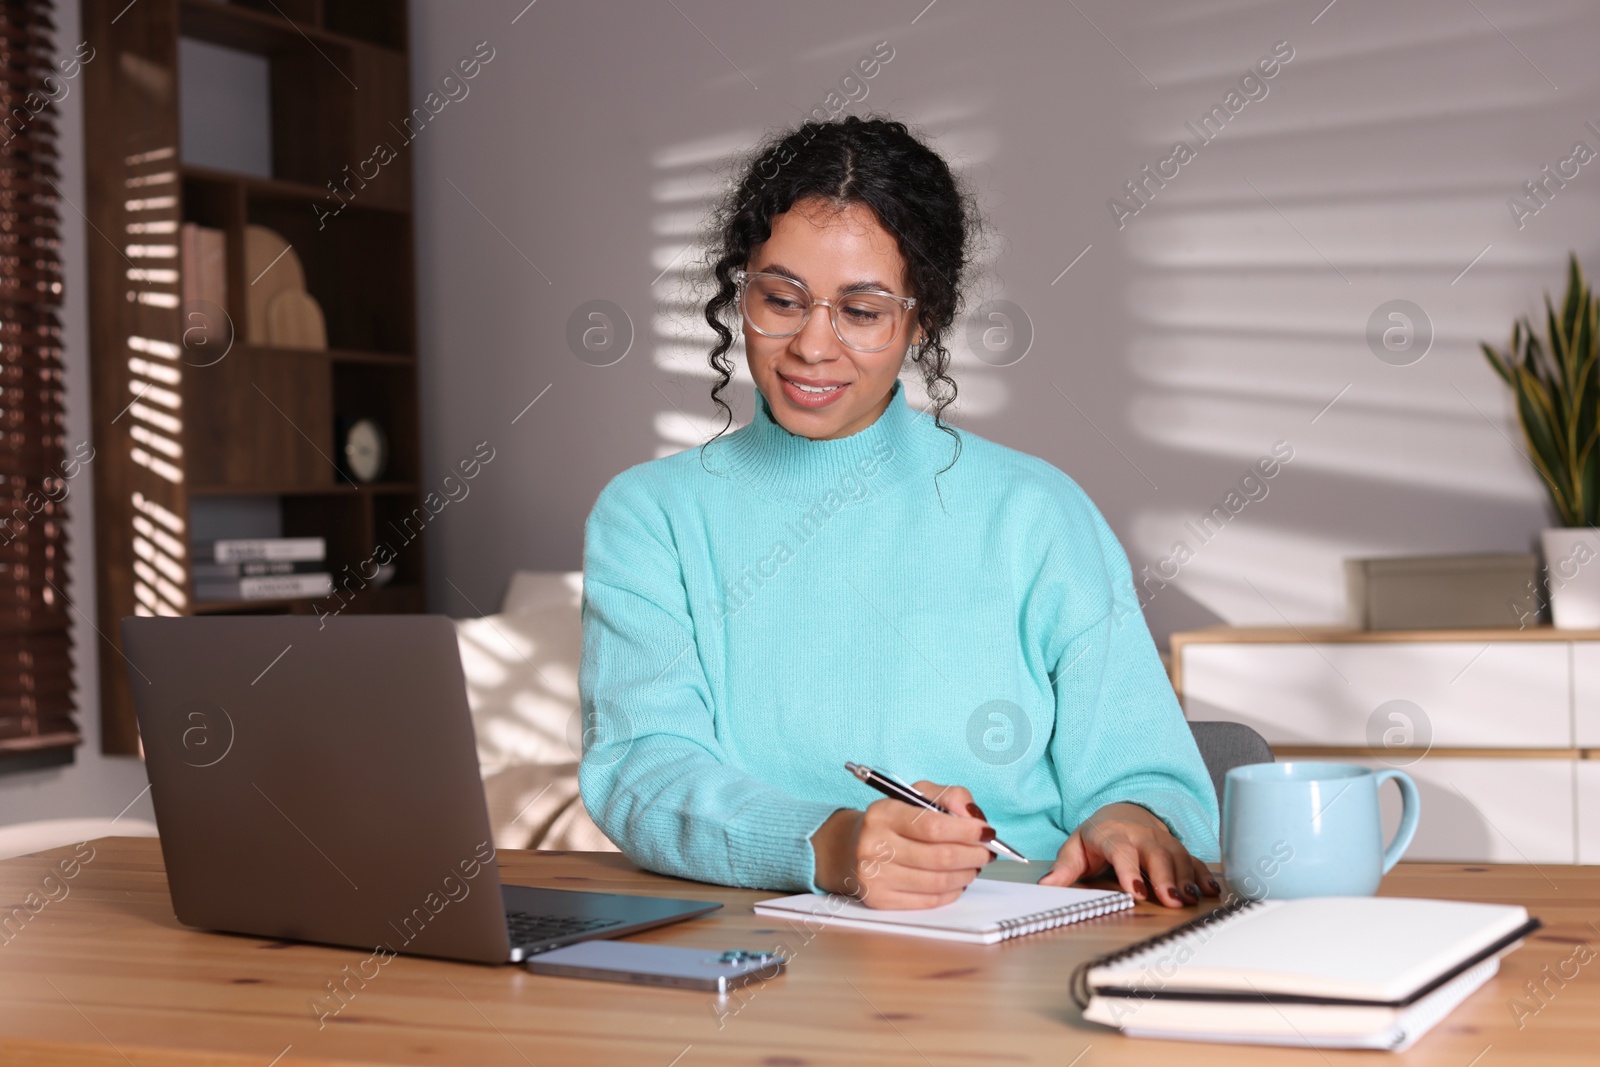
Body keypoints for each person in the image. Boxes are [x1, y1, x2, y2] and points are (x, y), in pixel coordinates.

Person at [578, 115, 1220, 910]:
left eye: (863, 311)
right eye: (781, 298)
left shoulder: (1037, 512)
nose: (813, 346)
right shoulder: (650, 516)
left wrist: (1132, 817)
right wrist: (835, 844)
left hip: (1024, 937)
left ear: (922, 318)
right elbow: (643, 769)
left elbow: (1152, 774)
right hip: (758, 950)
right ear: (740, 291)